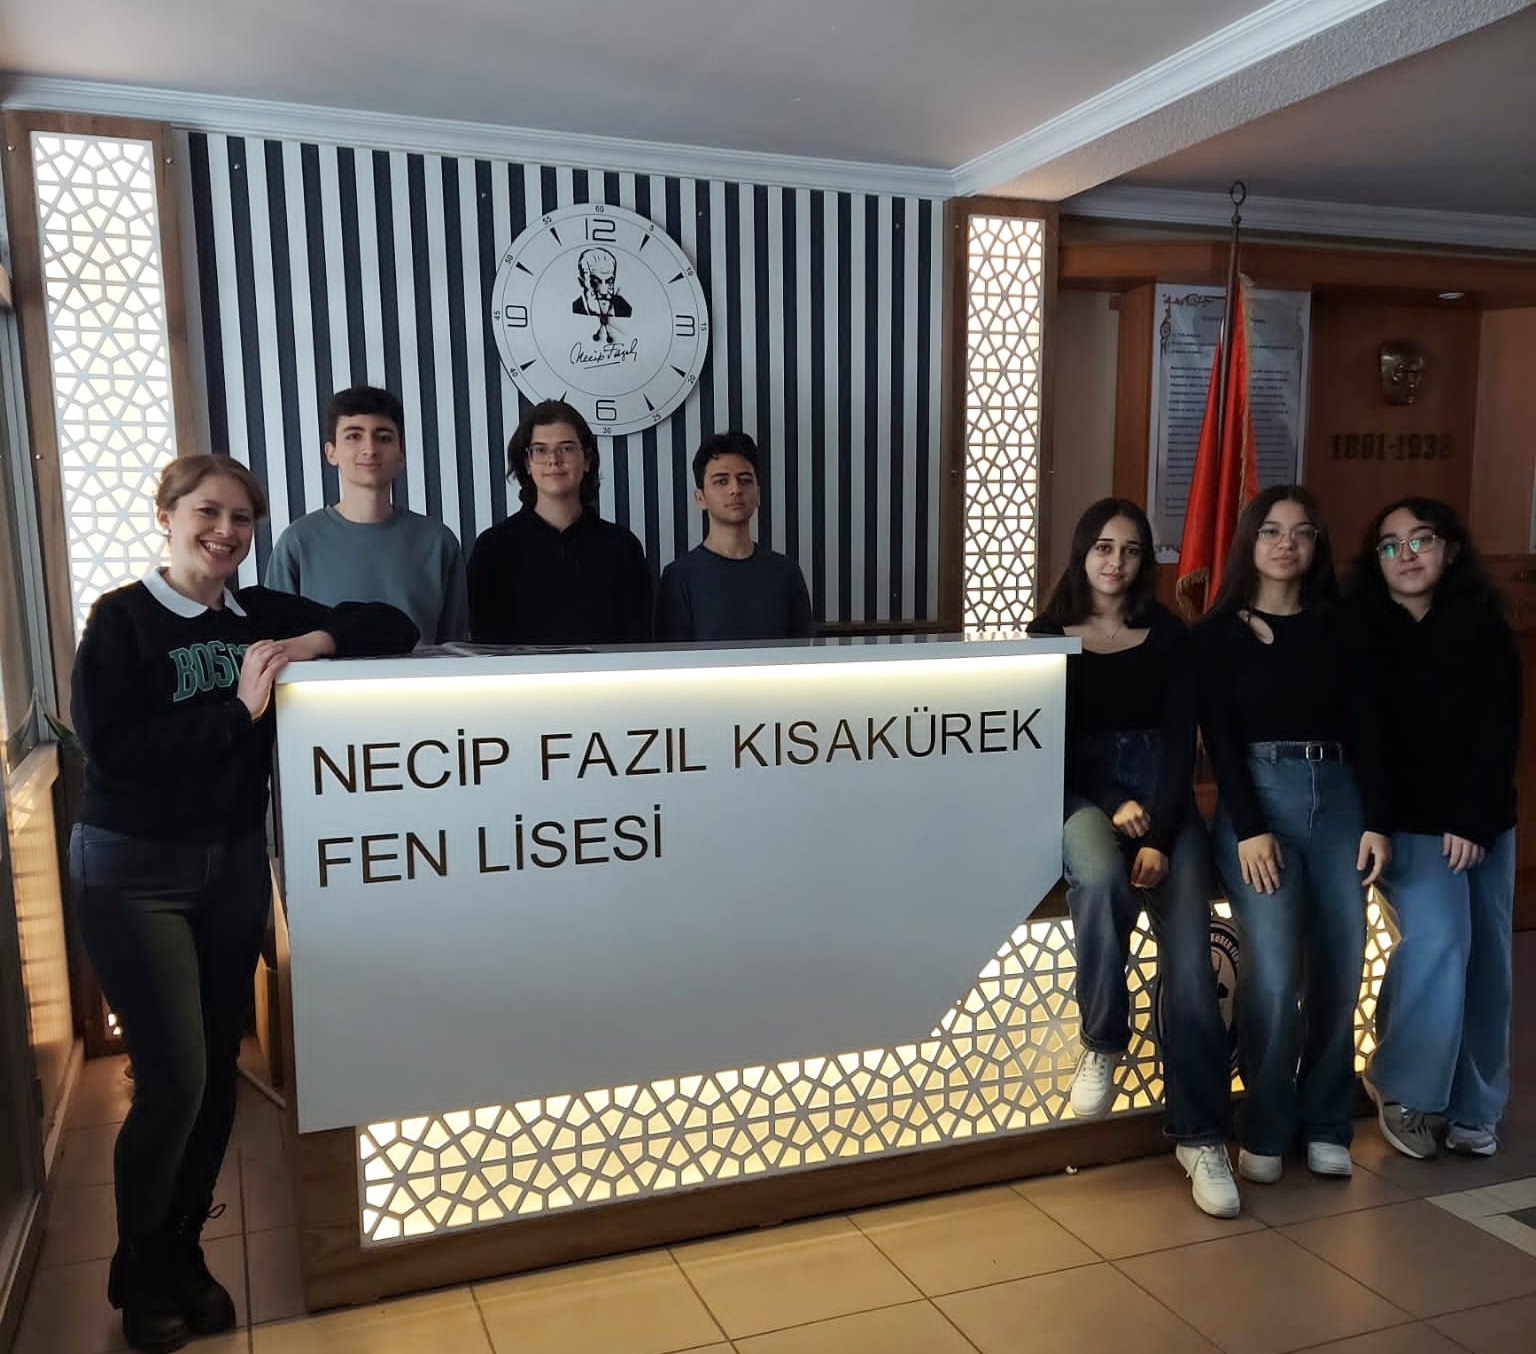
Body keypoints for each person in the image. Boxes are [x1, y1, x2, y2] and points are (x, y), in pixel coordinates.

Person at [70, 454, 418, 1353]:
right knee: (175, 1078)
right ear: (167, 515)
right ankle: (143, 1268)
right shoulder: (122, 618)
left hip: (230, 868)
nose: (225, 532)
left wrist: (309, 645)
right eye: (207, 512)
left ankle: (183, 1250)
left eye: (241, 519)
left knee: (218, 1068)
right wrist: (238, 711)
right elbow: (113, 756)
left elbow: (393, 624)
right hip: (133, 869)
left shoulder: (257, 613)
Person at [1029, 499, 1238, 1218]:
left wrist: (1159, 834)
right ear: (1081, 553)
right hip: (1082, 790)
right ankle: (1103, 1037)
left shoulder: (1170, 635)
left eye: (1130, 550)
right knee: (1098, 876)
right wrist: (1116, 800)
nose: (1115, 561)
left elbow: (1182, 743)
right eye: (1103, 547)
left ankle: (1201, 1137)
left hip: (1164, 795)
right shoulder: (1046, 635)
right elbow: (1051, 740)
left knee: (1192, 966)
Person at [1194, 485, 1389, 1185]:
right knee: (1274, 976)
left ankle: (1328, 1120)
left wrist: (1376, 819)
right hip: (1258, 800)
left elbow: (1368, 729)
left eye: (1302, 532)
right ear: (1249, 541)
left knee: (1341, 964)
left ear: (1317, 546)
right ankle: (1268, 1124)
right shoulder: (1217, 635)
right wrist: (1249, 828)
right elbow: (1220, 738)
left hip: (1339, 798)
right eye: (1272, 530)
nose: (1287, 544)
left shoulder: (1343, 625)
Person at [1350, 498, 1520, 1160]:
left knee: (1488, 960)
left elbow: (1499, 731)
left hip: (1482, 821)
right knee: (1442, 941)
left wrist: (1471, 819)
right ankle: (1405, 1087)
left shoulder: (1482, 625)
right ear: (1376, 561)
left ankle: (1476, 1106)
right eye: (1390, 545)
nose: (1407, 554)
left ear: (1450, 550)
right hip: (1406, 826)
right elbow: (1366, 741)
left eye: (1421, 540)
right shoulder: (1362, 631)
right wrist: (1379, 820)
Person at [265, 385, 468, 643]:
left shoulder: (438, 541)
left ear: (401, 453)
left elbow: (454, 646)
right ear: (331, 452)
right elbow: (277, 644)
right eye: (353, 436)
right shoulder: (297, 543)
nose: (370, 449)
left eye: (383, 437)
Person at [467, 400, 652, 645]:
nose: (554, 460)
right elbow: (485, 648)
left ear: (587, 459)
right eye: (540, 450)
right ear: (527, 463)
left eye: (566, 448)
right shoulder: (493, 548)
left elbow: (638, 646)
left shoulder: (623, 547)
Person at [655, 432, 814, 643]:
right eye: (722, 481)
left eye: (744, 480)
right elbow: (671, 658)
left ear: (758, 494)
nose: (735, 489)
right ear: (700, 498)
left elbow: (802, 654)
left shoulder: (786, 573)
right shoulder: (678, 577)